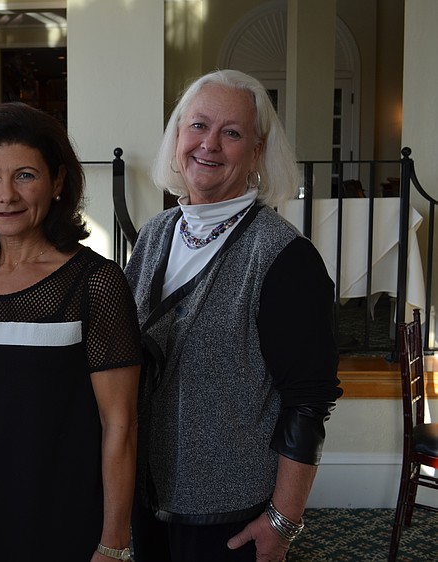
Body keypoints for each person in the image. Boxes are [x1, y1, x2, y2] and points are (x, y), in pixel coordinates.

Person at [124, 69, 342, 561]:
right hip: (147, 500)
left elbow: (308, 401)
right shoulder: (155, 234)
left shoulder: (283, 256)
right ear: (178, 136)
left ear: (257, 152)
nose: (210, 144)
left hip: (229, 519)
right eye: (198, 126)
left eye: (232, 133)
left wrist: (283, 520)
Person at [0, 102, 142, 562]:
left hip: (64, 520)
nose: (6, 195)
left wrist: (113, 542)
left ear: (57, 182)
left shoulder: (94, 283)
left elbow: (121, 424)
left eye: (25, 175)